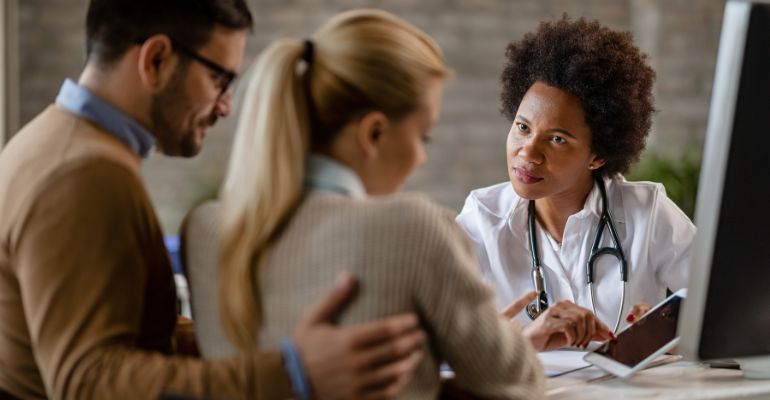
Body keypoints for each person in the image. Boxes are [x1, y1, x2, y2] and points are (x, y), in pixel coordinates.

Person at [0, 1, 427, 399]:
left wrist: (240, 335)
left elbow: (121, 329)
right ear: (156, 60)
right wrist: (293, 371)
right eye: (219, 80)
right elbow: (88, 380)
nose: (225, 107)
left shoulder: (55, 141)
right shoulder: (84, 173)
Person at [184, 8, 545, 399]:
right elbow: (519, 383)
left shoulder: (204, 230)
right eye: (422, 137)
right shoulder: (412, 227)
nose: (421, 158)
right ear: (373, 133)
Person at [456, 16, 696, 350]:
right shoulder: (483, 218)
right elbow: (437, 344)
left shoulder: (647, 213)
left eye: (557, 139)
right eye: (523, 128)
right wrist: (524, 342)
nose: (528, 153)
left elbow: (721, 308)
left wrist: (668, 331)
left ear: (597, 155)